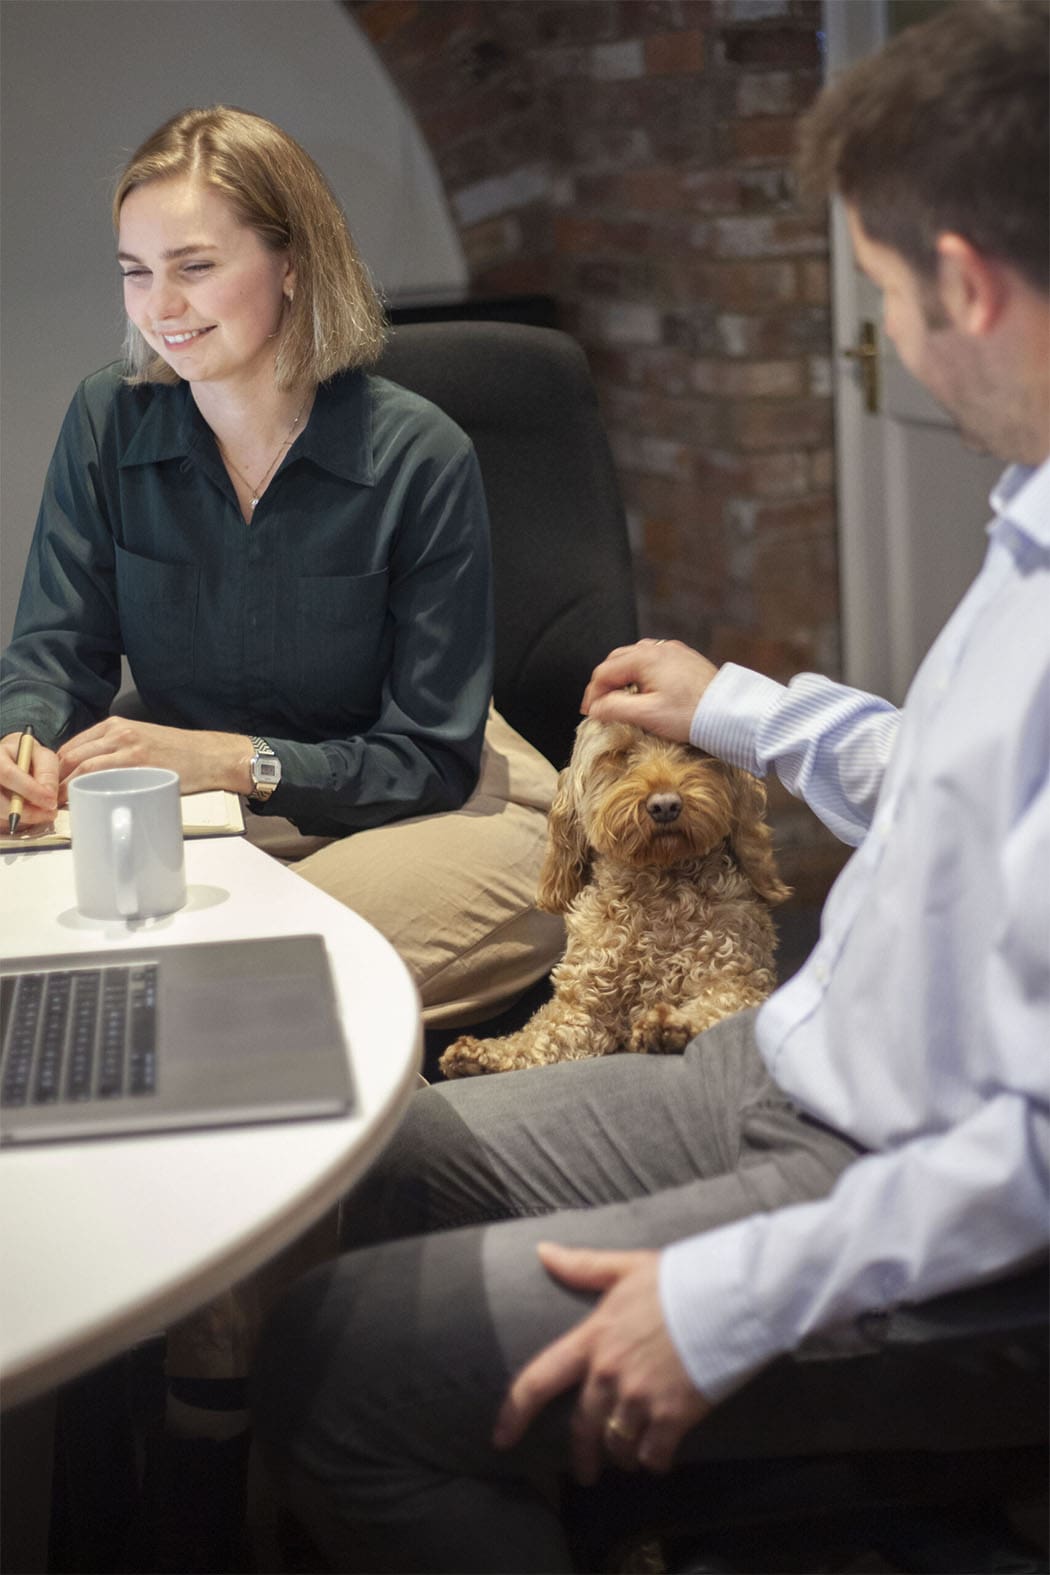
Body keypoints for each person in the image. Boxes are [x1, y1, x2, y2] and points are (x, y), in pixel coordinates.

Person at [251, 4, 1049, 1569]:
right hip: (790, 1065)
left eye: (879, 296)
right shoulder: (1027, 517)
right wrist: (739, 706)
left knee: (343, 1363)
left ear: (962, 280)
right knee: (378, 1155)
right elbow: (955, 789)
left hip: (947, 1211)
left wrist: (728, 1292)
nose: (884, 335)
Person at [0, 105, 562, 1027]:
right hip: (195, 789)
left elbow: (427, 753)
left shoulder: (421, 455)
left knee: (222, 989)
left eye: (195, 267)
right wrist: (20, 740)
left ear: (292, 263)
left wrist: (230, 760)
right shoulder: (110, 418)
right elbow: (55, 648)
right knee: (106, 976)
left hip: (420, 789)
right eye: (136, 273)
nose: (160, 309)